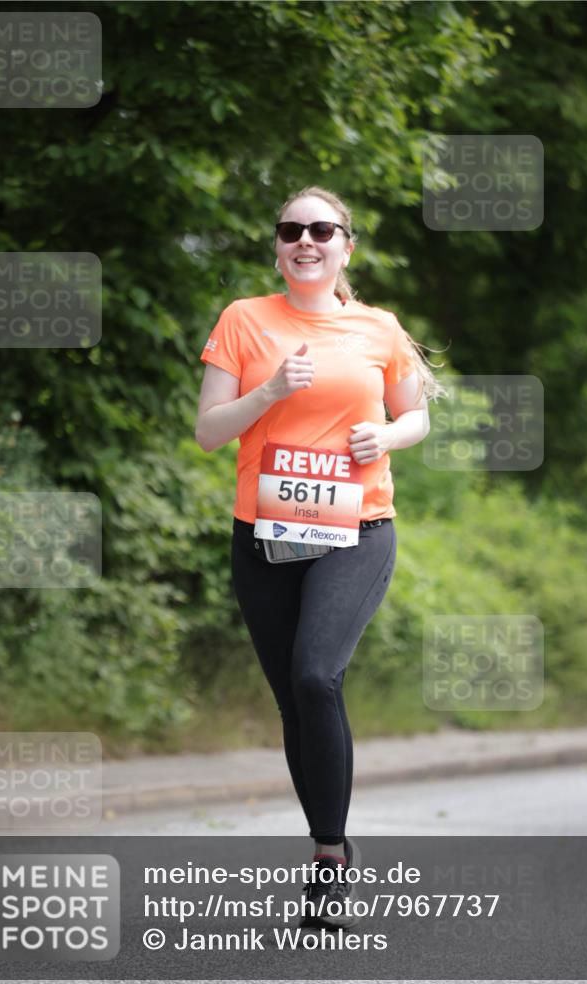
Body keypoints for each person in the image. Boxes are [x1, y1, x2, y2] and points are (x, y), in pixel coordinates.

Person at [195, 185, 443, 929]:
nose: (305, 240)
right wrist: (269, 390)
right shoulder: (245, 319)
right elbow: (209, 431)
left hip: (356, 530)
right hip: (265, 535)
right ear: (277, 245)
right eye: (291, 229)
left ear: (345, 247)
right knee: (292, 701)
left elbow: (417, 412)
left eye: (321, 230)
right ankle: (325, 840)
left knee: (315, 674)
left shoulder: (378, 327)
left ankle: (329, 860)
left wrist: (387, 438)